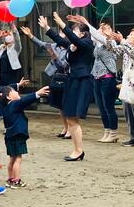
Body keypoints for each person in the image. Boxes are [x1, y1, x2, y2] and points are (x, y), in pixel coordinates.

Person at [69, 15, 134, 149]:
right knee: (128, 110)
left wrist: (122, 41)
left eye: (131, 35)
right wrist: (109, 37)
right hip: (129, 81)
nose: (128, 37)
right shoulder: (126, 47)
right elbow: (114, 49)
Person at [39, 12, 95, 161]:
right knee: (70, 116)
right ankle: (77, 150)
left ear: (83, 33)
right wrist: (47, 28)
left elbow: (74, 39)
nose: (68, 35)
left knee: (73, 117)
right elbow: (59, 40)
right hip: (72, 80)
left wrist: (62, 24)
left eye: (75, 31)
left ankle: (78, 150)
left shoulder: (87, 44)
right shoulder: (73, 46)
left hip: (82, 81)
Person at [21, 25, 70, 139]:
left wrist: (54, 57)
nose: (60, 36)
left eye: (63, 34)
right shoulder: (54, 46)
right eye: (60, 33)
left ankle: (70, 129)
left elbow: (64, 66)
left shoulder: (70, 49)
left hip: (66, 77)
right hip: (55, 77)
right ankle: (65, 127)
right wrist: (30, 35)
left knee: (66, 104)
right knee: (59, 105)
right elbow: (42, 44)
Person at [0, 84, 49, 187]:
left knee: (12, 158)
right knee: (18, 158)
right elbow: (24, 101)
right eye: (14, 91)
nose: (17, 92)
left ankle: (10, 179)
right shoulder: (14, 104)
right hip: (18, 134)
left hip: (9, 135)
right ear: (8, 97)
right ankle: (17, 180)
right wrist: (37, 93)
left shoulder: (5, 108)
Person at [89, 20, 121, 143]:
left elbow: (109, 45)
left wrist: (107, 35)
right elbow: (93, 35)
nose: (103, 29)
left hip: (107, 77)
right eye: (102, 27)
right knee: (101, 107)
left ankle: (113, 133)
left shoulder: (111, 42)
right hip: (97, 77)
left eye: (107, 27)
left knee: (109, 107)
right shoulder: (97, 43)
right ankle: (107, 131)